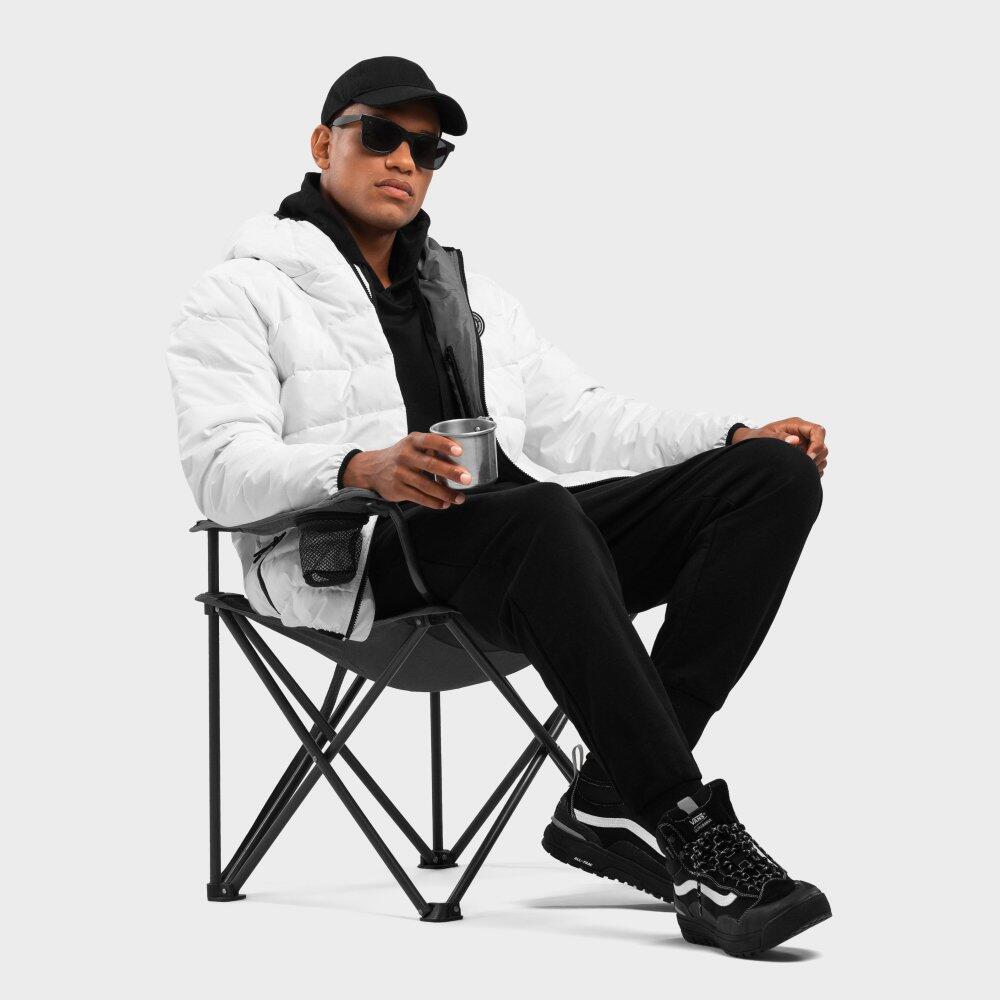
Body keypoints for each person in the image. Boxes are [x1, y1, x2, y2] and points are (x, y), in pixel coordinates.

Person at [166, 55, 832, 956]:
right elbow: (219, 470)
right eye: (381, 135)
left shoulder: (467, 297)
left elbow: (583, 418)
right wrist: (361, 466)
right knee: (541, 516)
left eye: (429, 148)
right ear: (324, 144)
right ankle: (686, 825)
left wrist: (733, 434)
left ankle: (614, 796)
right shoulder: (240, 293)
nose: (405, 160)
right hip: (361, 559)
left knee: (770, 481)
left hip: (524, 557)